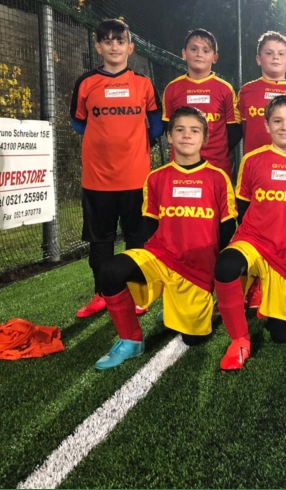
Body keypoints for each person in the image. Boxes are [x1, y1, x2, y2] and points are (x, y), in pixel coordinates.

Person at [94, 107, 237, 370]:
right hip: (161, 257)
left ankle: (204, 308)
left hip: (197, 268)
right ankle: (131, 340)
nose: (186, 135)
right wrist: (136, 261)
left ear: (205, 138)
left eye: (194, 130)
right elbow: (149, 225)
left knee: (193, 340)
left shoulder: (218, 178)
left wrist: (215, 275)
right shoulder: (156, 178)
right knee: (111, 270)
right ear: (169, 136)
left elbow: (227, 228)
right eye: (179, 130)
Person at [213, 95, 286, 371]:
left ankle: (284, 297)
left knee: (281, 336)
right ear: (266, 125)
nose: (285, 127)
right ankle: (239, 340)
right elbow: (243, 206)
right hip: (253, 241)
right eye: (277, 121)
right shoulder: (252, 160)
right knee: (226, 265)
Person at [70, 18, 164, 318]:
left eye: (120, 41)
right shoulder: (86, 83)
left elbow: (157, 124)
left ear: (130, 48)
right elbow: (77, 122)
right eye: (107, 41)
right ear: (98, 47)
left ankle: (138, 294)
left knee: (137, 241)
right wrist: (105, 139)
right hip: (97, 181)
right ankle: (102, 294)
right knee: (100, 242)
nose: (114, 46)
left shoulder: (143, 84)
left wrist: (135, 143)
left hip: (136, 179)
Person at [162, 28, 241, 175]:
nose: (199, 54)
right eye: (194, 49)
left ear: (214, 58)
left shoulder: (225, 89)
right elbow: (168, 126)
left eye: (206, 51)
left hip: (217, 166)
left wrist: (216, 149)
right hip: (181, 166)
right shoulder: (172, 88)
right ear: (184, 53)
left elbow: (234, 130)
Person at [238, 31, 286, 155]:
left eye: (281, 53)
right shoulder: (246, 91)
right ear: (258, 59)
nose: (275, 57)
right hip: (255, 161)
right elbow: (244, 128)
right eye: (269, 53)